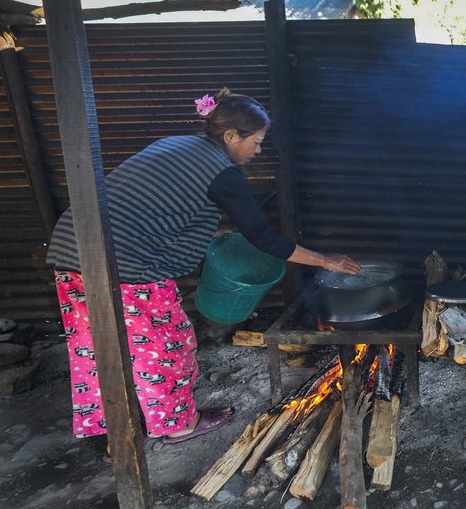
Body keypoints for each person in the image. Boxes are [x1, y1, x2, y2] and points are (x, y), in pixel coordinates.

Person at [46, 88, 360, 451]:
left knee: (95, 348)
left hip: (74, 248)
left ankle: (113, 437)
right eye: (257, 141)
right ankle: (179, 425)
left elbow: (150, 207)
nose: (258, 150)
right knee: (166, 346)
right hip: (128, 264)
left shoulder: (174, 144)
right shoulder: (223, 173)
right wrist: (326, 260)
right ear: (231, 136)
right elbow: (263, 237)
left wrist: (209, 233)